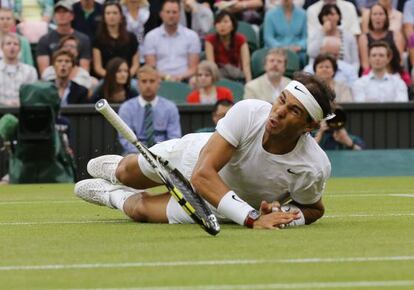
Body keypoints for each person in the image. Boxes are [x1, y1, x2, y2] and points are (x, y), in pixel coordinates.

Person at [74, 72, 334, 230]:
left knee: (141, 210)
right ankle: (117, 173)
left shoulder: (313, 166)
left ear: (310, 126)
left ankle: (111, 195)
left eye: (294, 111)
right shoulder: (250, 111)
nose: (279, 111)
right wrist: (253, 218)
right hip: (192, 159)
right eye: (281, 100)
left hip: (222, 207)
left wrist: (282, 216)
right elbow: (201, 174)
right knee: (128, 172)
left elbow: (313, 208)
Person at [117, 65, 182, 153]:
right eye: (144, 81)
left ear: (159, 84)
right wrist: (144, 156)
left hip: (164, 156)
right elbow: (125, 140)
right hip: (133, 156)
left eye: (152, 81)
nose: (148, 85)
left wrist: (160, 155)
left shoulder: (170, 108)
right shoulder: (126, 108)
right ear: (138, 84)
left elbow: (174, 139)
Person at [142, 0, 200, 82]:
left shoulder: (192, 36)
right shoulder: (151, 37)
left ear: (180, 14)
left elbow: (193, 68)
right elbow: (151, 67)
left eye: (174, 12)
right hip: (158, 80)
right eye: (168, 12)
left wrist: (179, 77)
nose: (171, 15)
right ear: (161, 14)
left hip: (185, 80)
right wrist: (167, 77)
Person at [36, 1, 91, 75]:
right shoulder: (45, 40)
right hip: (53, 79)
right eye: (58, 12)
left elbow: (85, 70)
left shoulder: (84, 39)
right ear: (54, 16)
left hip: (77, 78)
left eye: (65, 12)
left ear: (72, 16)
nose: (61, 15)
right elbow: (44, 72)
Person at [358, 4, 406, 80]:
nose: (378, 17)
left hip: (393, 73)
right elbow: (365, 64)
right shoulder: (363, 38)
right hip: (371, 75)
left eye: (381, 14)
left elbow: (399, 61)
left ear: (386, 17)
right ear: (370, 18)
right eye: (375, 14)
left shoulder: (396, 35)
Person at [93, 1, 139, 78]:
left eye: (115, 13)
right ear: (104, 17)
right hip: (107, 79)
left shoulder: (131, 37)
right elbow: (98, 68)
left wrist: (126, 76)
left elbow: (136, 64)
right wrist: (112, 78)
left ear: (121, 16)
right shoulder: (98, 39)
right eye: (108, 13)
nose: (111, 16)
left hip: (128, 78)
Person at [307, 3, 359, 71]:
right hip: (321, 70)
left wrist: (352, 72)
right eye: (326, 15)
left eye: (332, 14)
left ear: (339, 16)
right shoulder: (316, 34)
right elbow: (311, 53)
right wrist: (322, 32)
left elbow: (355, 61)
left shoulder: (348, 36)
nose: (329, 17)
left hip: (343, 71)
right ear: (321, 18)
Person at [204, 10, 251, 82]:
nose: (222, 25)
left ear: (232, 26)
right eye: (218, 22)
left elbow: (246, 66)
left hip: (237, 75)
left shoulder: (241, 39)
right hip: (219, 75)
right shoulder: (210, 40)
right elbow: (212, 65)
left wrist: (249, 85)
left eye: (225, 22)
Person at [263, 0, 307, 67]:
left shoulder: (303, 14)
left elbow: (306, 37)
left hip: (298, 51)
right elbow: (268, 37)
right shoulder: (270, 14)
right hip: (276, 50)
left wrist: (299, 46)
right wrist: (281, 47)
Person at [0, 32, 37, 106]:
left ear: (20, 48)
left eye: (15, 44)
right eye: (8, 43)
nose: (12, 47)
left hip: (23, 111)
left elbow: (32, 95)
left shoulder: (30, 71)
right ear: (2, 47)